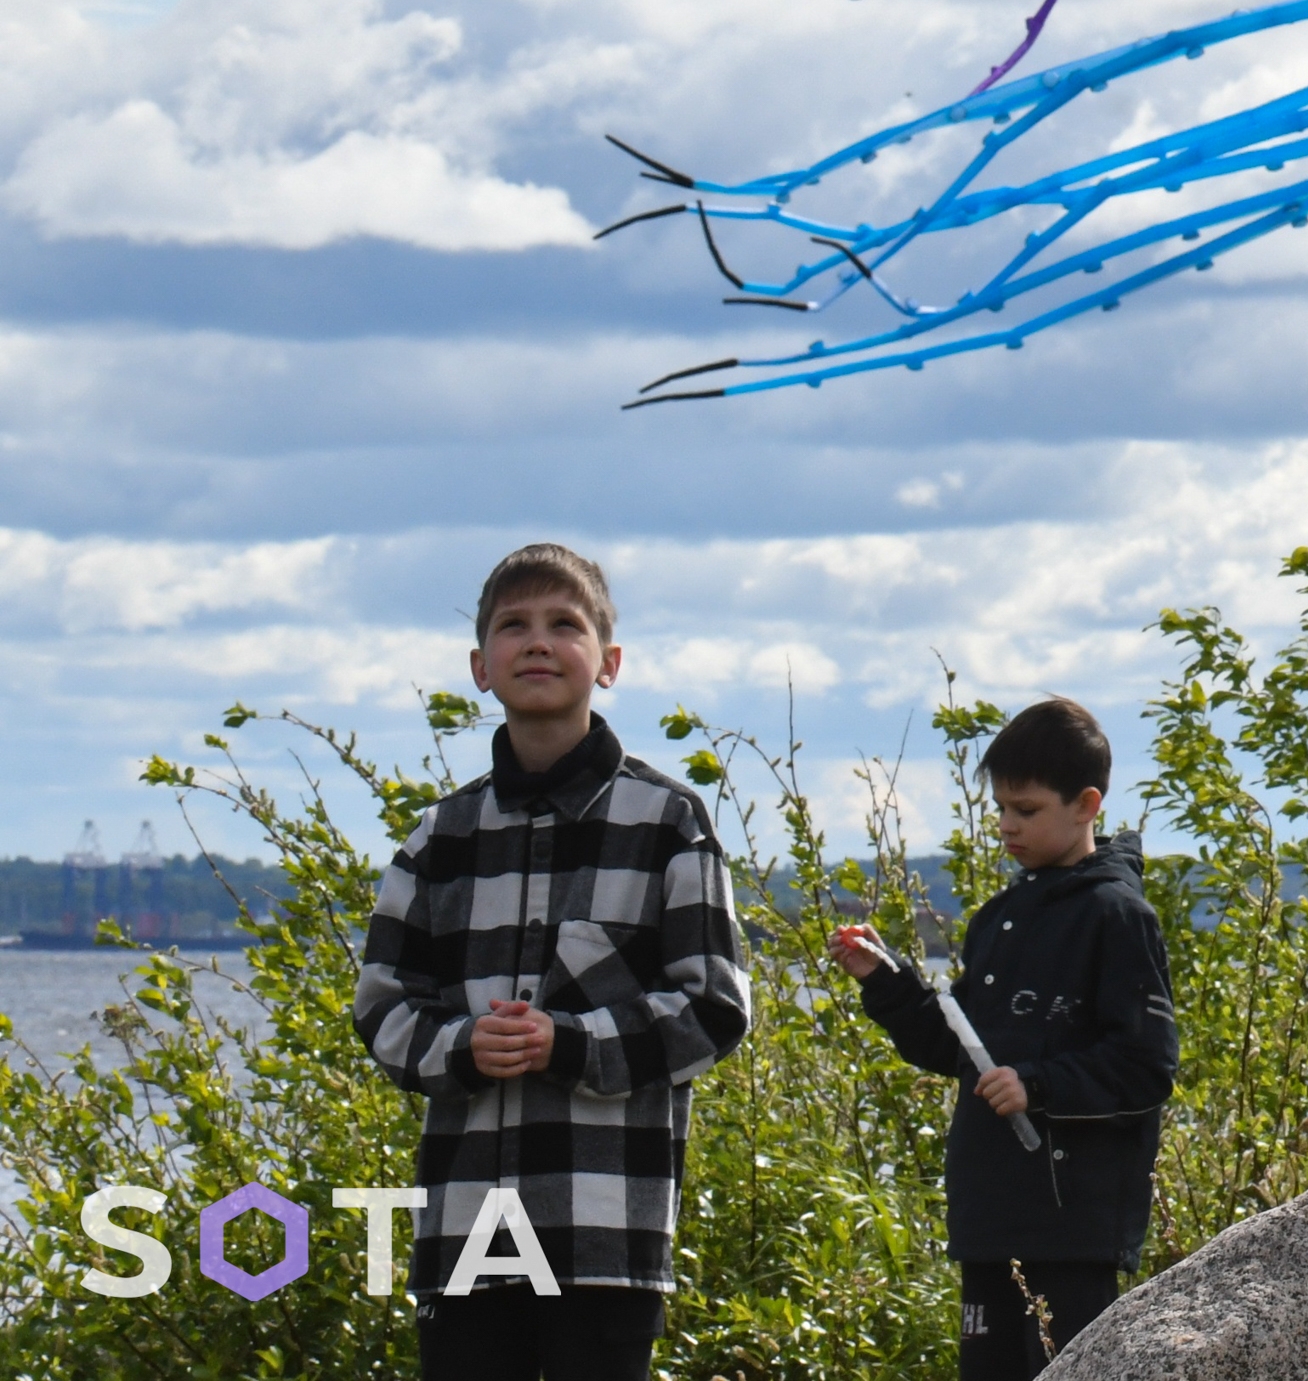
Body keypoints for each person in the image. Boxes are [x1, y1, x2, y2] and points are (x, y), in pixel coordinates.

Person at [354, 544, 756, 1381]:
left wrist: (566, 1043)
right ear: (479, 667)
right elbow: (383, 1007)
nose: (538, 641)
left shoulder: (668, 821)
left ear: (607, 662)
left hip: (604, 1227)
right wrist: (460, 1048)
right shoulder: (439, 839)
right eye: (514, 625)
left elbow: (715, 1007)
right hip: (465, 1229)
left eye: (564, 624)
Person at [831, 697, 1179, 1378]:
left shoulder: (1118, 916)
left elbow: (1146, 1065)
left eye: (1025, 809)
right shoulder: (1003, 916)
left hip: (1073, 1227)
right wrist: (888, 979)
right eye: (999, 808)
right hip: (991, 1218)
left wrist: (1038, 1085)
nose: (1006, 825)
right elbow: (958, 1049)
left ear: (1086, 804)